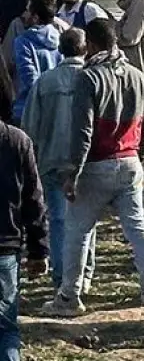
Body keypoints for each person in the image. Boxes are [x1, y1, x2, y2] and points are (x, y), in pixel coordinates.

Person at [39, 19, 144, 316]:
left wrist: (73, 174)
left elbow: (83, 132)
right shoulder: (137, 76)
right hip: (130, 161)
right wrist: (142, 159)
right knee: (138, 228)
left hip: (96, 164)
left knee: (77, 230)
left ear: (90, 46)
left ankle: (69, 296)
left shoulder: (88, 78)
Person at [20, 28, 87, 290]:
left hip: (51, 158)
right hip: (84, 159)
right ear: (85, 49)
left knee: (58, 219)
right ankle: (84, 275)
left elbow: (30, 126)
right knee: (84, 219)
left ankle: (61, 275)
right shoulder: (92, 78)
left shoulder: (45, 82)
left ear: (60, 51)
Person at [0, 114, 45, 361]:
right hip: (5, 249)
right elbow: (33, 200)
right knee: (5, 325)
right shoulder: (17, 140)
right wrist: (38, 249)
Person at [12, 0, 62, 123]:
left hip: (27, 110)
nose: (24, 14)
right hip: (56, 108)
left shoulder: (23, 41)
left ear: (35, 17)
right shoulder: (60, 38)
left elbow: (29, 78)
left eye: (28, 10)